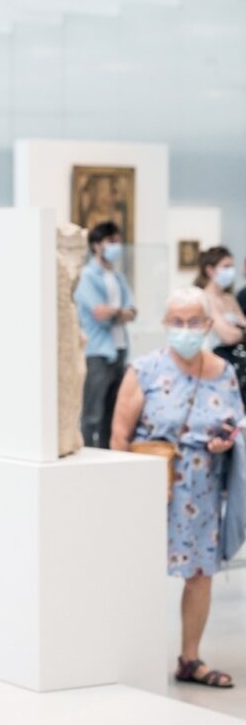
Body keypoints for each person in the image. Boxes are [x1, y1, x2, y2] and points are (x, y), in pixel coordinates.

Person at [111, 287, 245, 688]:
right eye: (177, 321)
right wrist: (122, 496)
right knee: (140, 571)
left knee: (200, 575)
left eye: (193, 321)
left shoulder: (224, 372)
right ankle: (128, 660)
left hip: (203, 491)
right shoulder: (144, 369)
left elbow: (235, 423)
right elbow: (119, 436)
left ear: (207, 324)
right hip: (153, 486)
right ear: (167, 323)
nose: (185, 329)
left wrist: (226, 440)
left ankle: (190, 659)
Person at [74, 221, 137, 448]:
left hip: (119, 351)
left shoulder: (118, 277)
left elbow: (132, 312)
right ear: (96, 245)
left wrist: (116, 313)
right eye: (111, 242)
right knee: (92, 414)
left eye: (118, 242)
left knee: (113, 413)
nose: (116, 246)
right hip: (97, 352)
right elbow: (98, 312)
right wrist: (119, 313)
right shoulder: (87, 275)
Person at [195, 246, 246, 402]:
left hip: (237, 366)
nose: (231, 271)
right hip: (213, 363)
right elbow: (228, 336)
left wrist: (237, 332)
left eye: (232, 266)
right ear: (210, 270)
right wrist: (239, 331)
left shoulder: (229, 298)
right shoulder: (203, 297)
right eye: (226, 266)